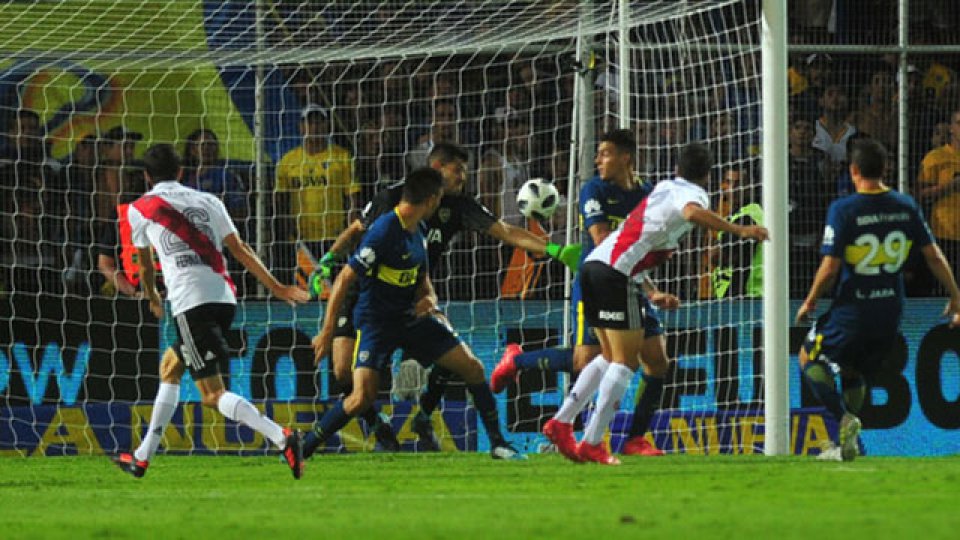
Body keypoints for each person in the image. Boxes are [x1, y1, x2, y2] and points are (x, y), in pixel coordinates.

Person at [312, 143, 580, 453]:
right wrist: (327, 262)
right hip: (363, 293)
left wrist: (553, 250)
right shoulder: (393, 198)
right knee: (343, 371)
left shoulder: (460, 206)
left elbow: (505, 231)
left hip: (412, 294)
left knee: (455, 352)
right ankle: (377, 425)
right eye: (458, 170)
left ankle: (432, 419)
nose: (464, 176)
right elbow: (356, 229)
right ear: (439, 169)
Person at [543, 142, 769, 465]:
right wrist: (739, 230)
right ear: (707, 175)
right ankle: (592, 441)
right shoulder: (695, 195)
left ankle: (562, 422)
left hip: (594, 268)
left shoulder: (663, 187)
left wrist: (651, 291)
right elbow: (691, 212)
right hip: (615, 274)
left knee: (609, 357)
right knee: (624, 362)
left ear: (677, 168)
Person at [110, 144, 310, 479]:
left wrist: (152, 297)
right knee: (170, 367)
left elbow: (145, 267)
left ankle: (282, 437)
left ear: (146, 176)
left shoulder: (139, 209)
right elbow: (240, 249)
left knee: (211, 394)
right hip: (224, 298)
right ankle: (142, 457)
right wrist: (277, 287)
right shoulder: (209, 200)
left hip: (191, 303)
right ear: (181, 172)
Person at [490, 129, 669, 456]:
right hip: (598, 284)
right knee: (585, 360)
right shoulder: (594, 190)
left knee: (657, 360)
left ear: (626, 157)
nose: (598, 160)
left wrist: (650, 289)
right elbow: (602, 240)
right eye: (598, 153)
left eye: (605, 154)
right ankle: (519, 360)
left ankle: (633, 439)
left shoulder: (646, 194)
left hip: (631, 282)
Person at [796, 138, 960, 462]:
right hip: (890, 311)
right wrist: (956, 295)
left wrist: (811, 299)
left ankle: (843, 419)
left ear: (854, 170)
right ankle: (848, 445)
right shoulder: (905, 206)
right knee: (854, 371)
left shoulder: (844, 209)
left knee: (808, 358)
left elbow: (830, 267)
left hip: (852, 309)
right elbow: (933, 255)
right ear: (885, 169)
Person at [275, 104, 360, 278]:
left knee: (334, 287)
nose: (315, 127)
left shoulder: (342, 157)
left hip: (334, 237)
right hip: (301, 239)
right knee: (307, 290)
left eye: (319, 122)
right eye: (310, 123)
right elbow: (280, 200)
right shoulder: (288, 161)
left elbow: (352, 198)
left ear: (327, 126)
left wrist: (351, 233)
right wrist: (287, 230)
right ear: (301, 127)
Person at [916, 108, 960, 296]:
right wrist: (949, 187)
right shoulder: (935, 158)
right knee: (945, 293)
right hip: (945, 234)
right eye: (959, 123)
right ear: (951, 128)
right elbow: (919, 194)